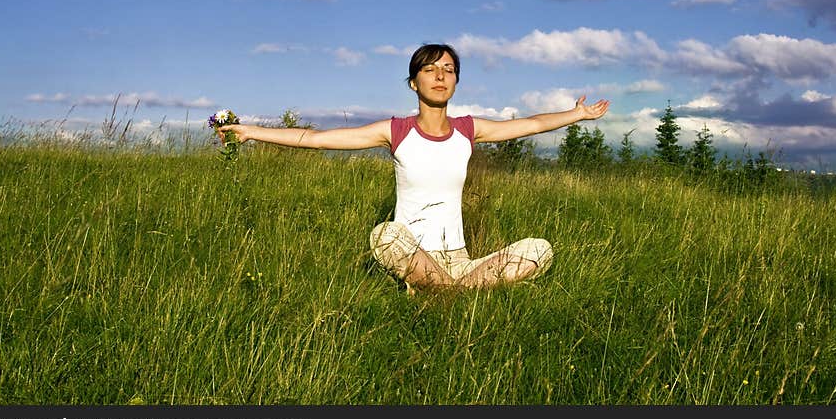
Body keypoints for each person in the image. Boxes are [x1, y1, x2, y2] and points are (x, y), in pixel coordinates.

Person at [217, 43, 609, 292]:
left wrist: (575, 115)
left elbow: (529, 125)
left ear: (455, 83)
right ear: (413, 83)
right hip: (413, 253)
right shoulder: (396, 131)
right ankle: (454, 290)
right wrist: (250, 132)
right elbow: (317, 139)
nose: (440, 76)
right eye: (430, 69)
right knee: (383, 236)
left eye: (449, 70)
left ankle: (446, 290)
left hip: (461, 259)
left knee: (540, 250)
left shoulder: (469, 130)